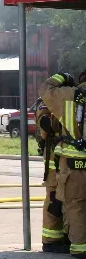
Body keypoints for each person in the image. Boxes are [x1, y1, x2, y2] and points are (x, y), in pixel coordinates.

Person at [39, 71, 86, 258]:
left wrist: (62, 76)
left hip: (73, 164)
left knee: (76, 205)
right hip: (66, 163)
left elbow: (44, 88)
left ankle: (79, 248)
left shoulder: (67, 95)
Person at [36, 96, 69, 254]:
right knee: (55, 198)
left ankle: (66, 235)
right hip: (54, 158)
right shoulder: (47, 101)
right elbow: (45, 126)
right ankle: (51, 240)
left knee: (70, 198)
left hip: (66, 157)